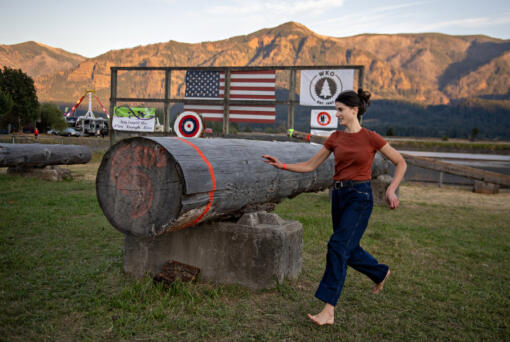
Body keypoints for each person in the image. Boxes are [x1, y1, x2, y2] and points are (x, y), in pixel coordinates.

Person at [262, 89, 407, 326]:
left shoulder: (371, 137)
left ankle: (328, 310)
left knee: (338, 246)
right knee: (347, 248)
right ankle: (380, 272)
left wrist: (391, 189)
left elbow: (400, 162)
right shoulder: (335, 138)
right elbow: (310, 166)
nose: (337, 114)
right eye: (336, 109)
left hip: (360, 196)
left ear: (354, 110)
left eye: (340, 109)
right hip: (338, 195)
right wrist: (283, 165)